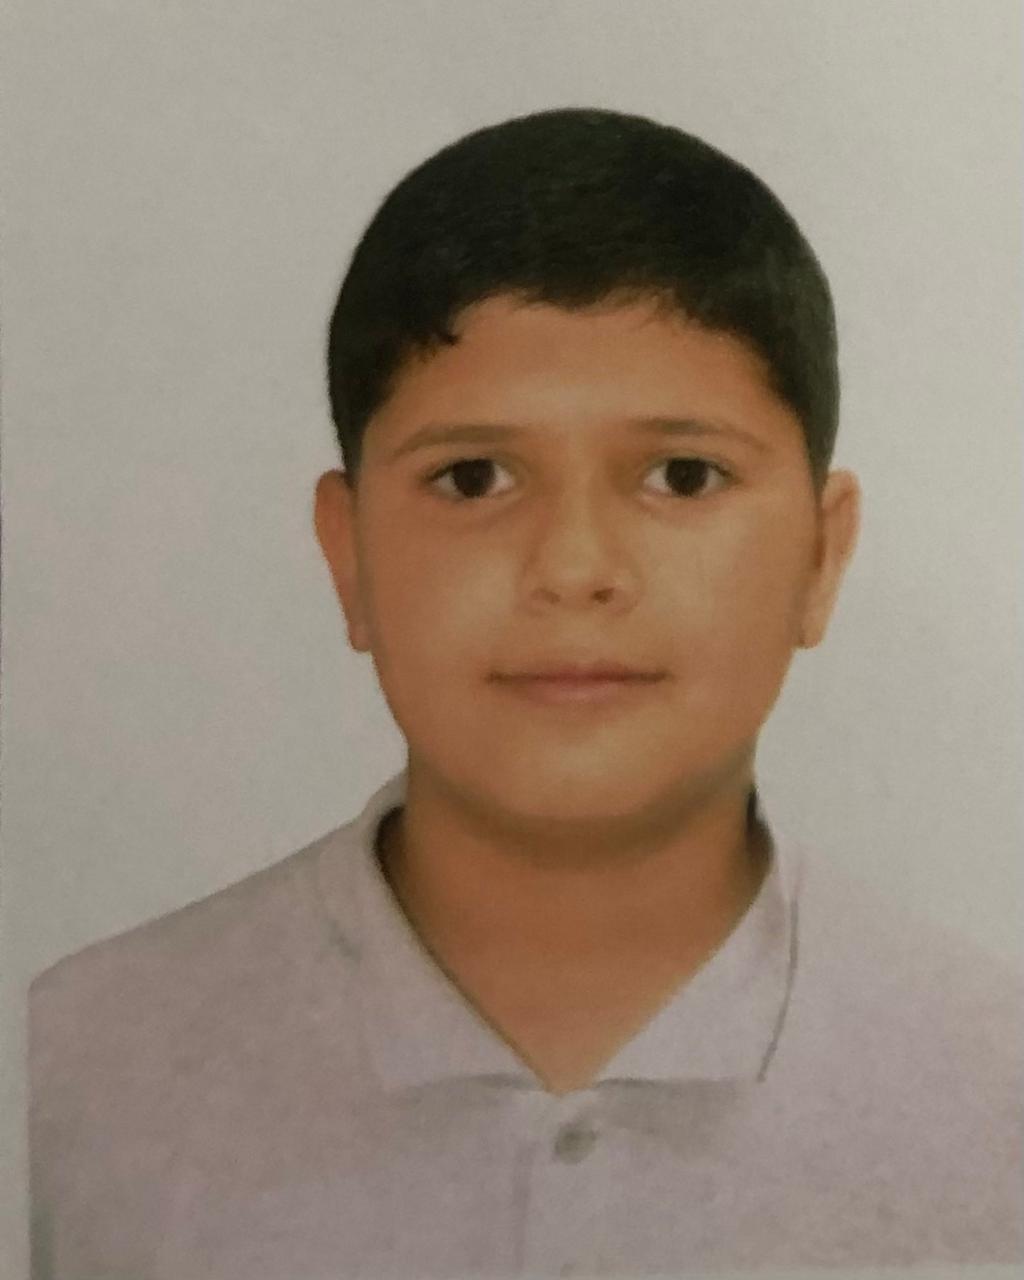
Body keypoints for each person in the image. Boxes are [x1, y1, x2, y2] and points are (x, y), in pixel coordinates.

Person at [28, 107, 1021, 1278]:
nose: (573, 567)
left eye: (682, 474)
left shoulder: (992, 1085)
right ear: (348, 557)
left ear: (820, 554)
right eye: (473, 478)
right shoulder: (71, 1069)